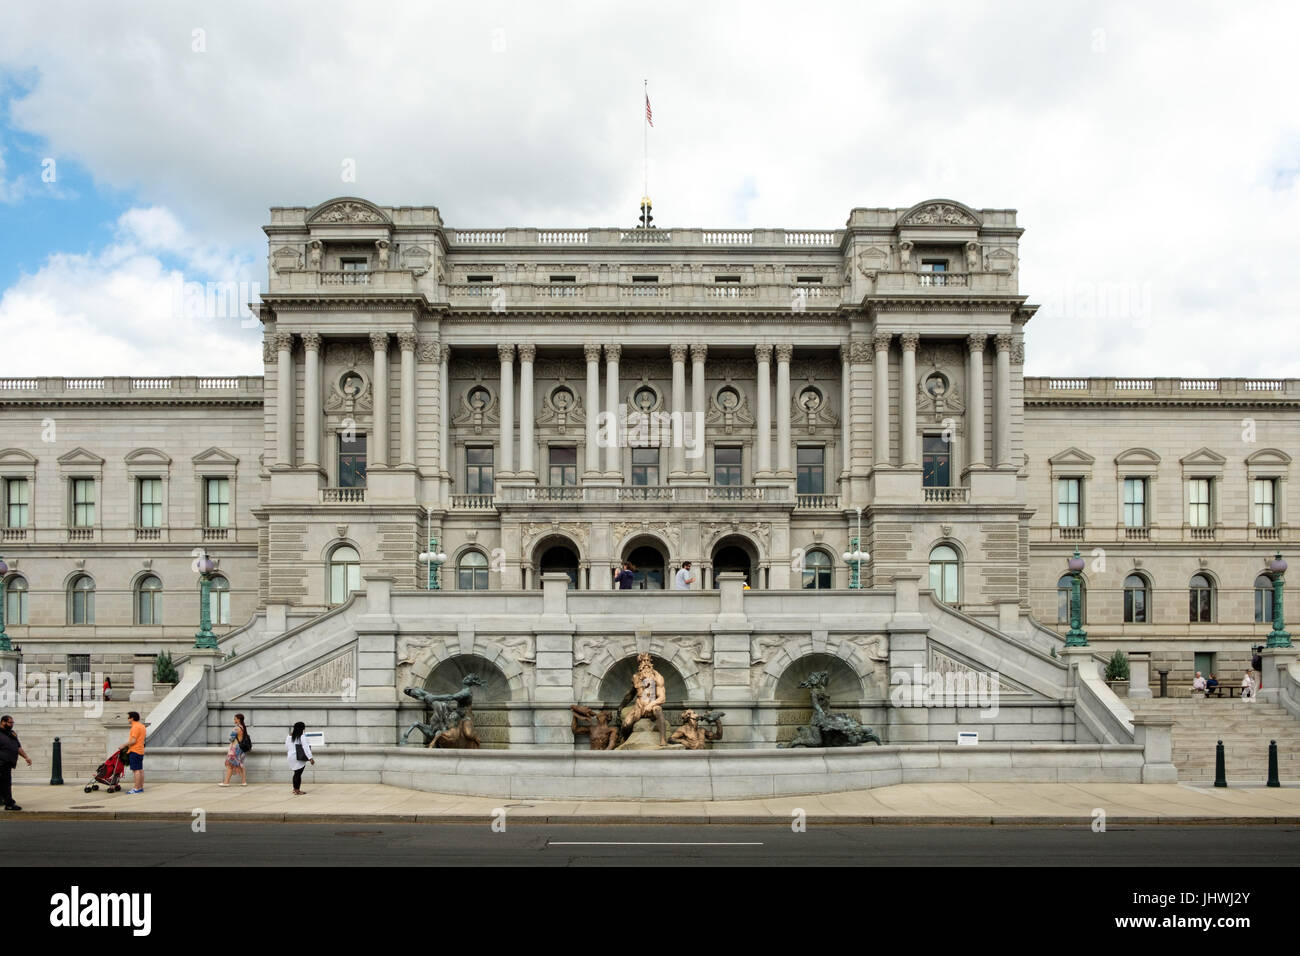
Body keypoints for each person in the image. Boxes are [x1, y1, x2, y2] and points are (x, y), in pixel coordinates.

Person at [0, 715, 33, 811]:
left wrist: (26, 757)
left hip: (8, 763)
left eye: (12, 723)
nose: (12, 725)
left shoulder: (12, 734)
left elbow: (18, 747)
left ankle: (7, 801)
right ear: (3, 722)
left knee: (5, 783)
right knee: (5, 784)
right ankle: (9, 804)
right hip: (1, 763)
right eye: (10, 723)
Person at [220, 714, 249, 787]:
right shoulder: (243, 727)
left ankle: (226, 782)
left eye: (235, 719)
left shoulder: (236, 728)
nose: (234, 720)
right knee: (239, 765)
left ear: (239, 719)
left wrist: (231, 737)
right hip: (240, 749)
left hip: (234, 749)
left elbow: (231, 739)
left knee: (229, 765)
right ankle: (244, 782)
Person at [286, 721, 314, 795]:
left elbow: (287, 746)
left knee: (296, 773)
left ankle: (295, 789)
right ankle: (297, 790)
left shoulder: (289, 735)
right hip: (299, 757)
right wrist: (310, 758)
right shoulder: (302, 736)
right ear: (302, 728)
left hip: (291, 757)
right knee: (298, 774)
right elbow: (306, 748)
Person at [123, 711, 146, 794]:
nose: (128, 719)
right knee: (140, 770)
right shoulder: (142, 726)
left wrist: (123, 745)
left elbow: (133, 740)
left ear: (132, 718)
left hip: (135, 750)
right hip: (140, 750)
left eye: (128, 718)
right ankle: (140, 787)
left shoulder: (135, 727)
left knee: (135, 770)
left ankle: (136, 788)